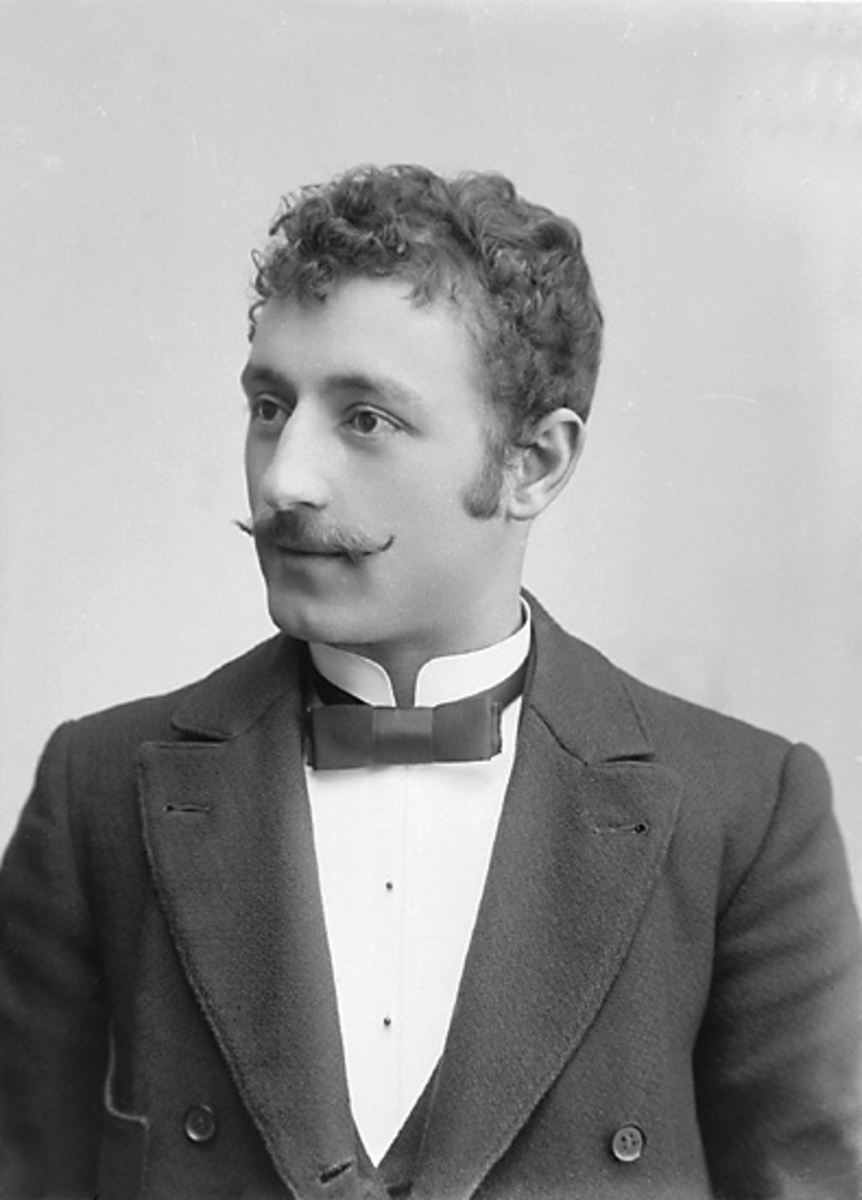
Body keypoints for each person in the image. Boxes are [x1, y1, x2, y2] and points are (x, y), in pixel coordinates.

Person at [0, 164, 859, 1200]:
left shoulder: (745, 817)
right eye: (270, 406)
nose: (284, 480)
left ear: (533, 464)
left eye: (365, 419)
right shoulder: (96, 791)